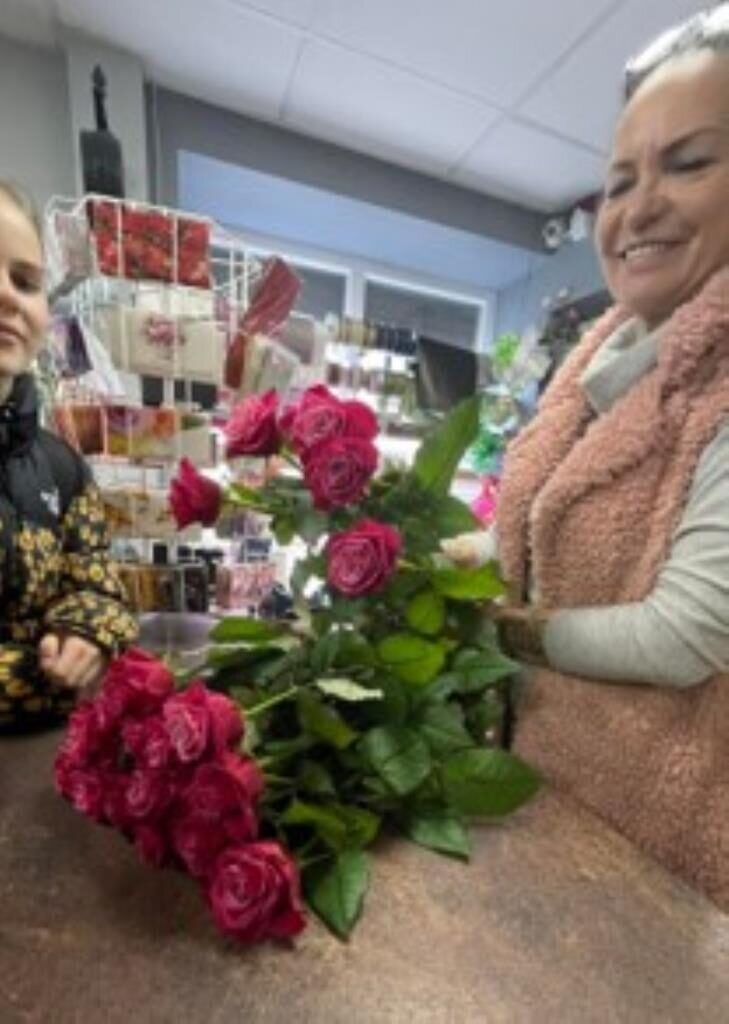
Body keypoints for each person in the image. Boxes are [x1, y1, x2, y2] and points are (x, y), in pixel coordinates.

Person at [444, 4, 729, 910]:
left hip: (656, 851)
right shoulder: (601, 360)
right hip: (551, 802)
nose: (637, 208)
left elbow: (687, 632)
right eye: (618, 180)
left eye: (688, 163)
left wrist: (504, 626)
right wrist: (453, 561)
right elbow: (548, 539)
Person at [0, 180, 137, 731]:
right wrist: (44, 679)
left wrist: (84, 633)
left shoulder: (64, 467)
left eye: (25, 281)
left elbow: (100, 587)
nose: (9, 296)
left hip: (37, 769)